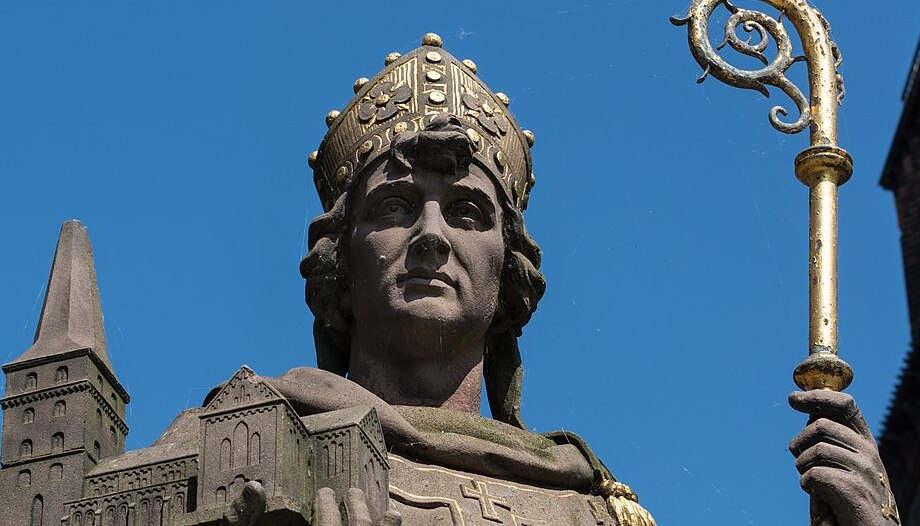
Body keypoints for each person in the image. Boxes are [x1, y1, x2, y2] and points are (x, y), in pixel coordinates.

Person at [264, 33, 898, 526]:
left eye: (466, 212)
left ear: (507, 277)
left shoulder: (593, 506)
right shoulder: (253, 449)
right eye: (396, 207)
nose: (432, 234)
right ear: (340, 269)